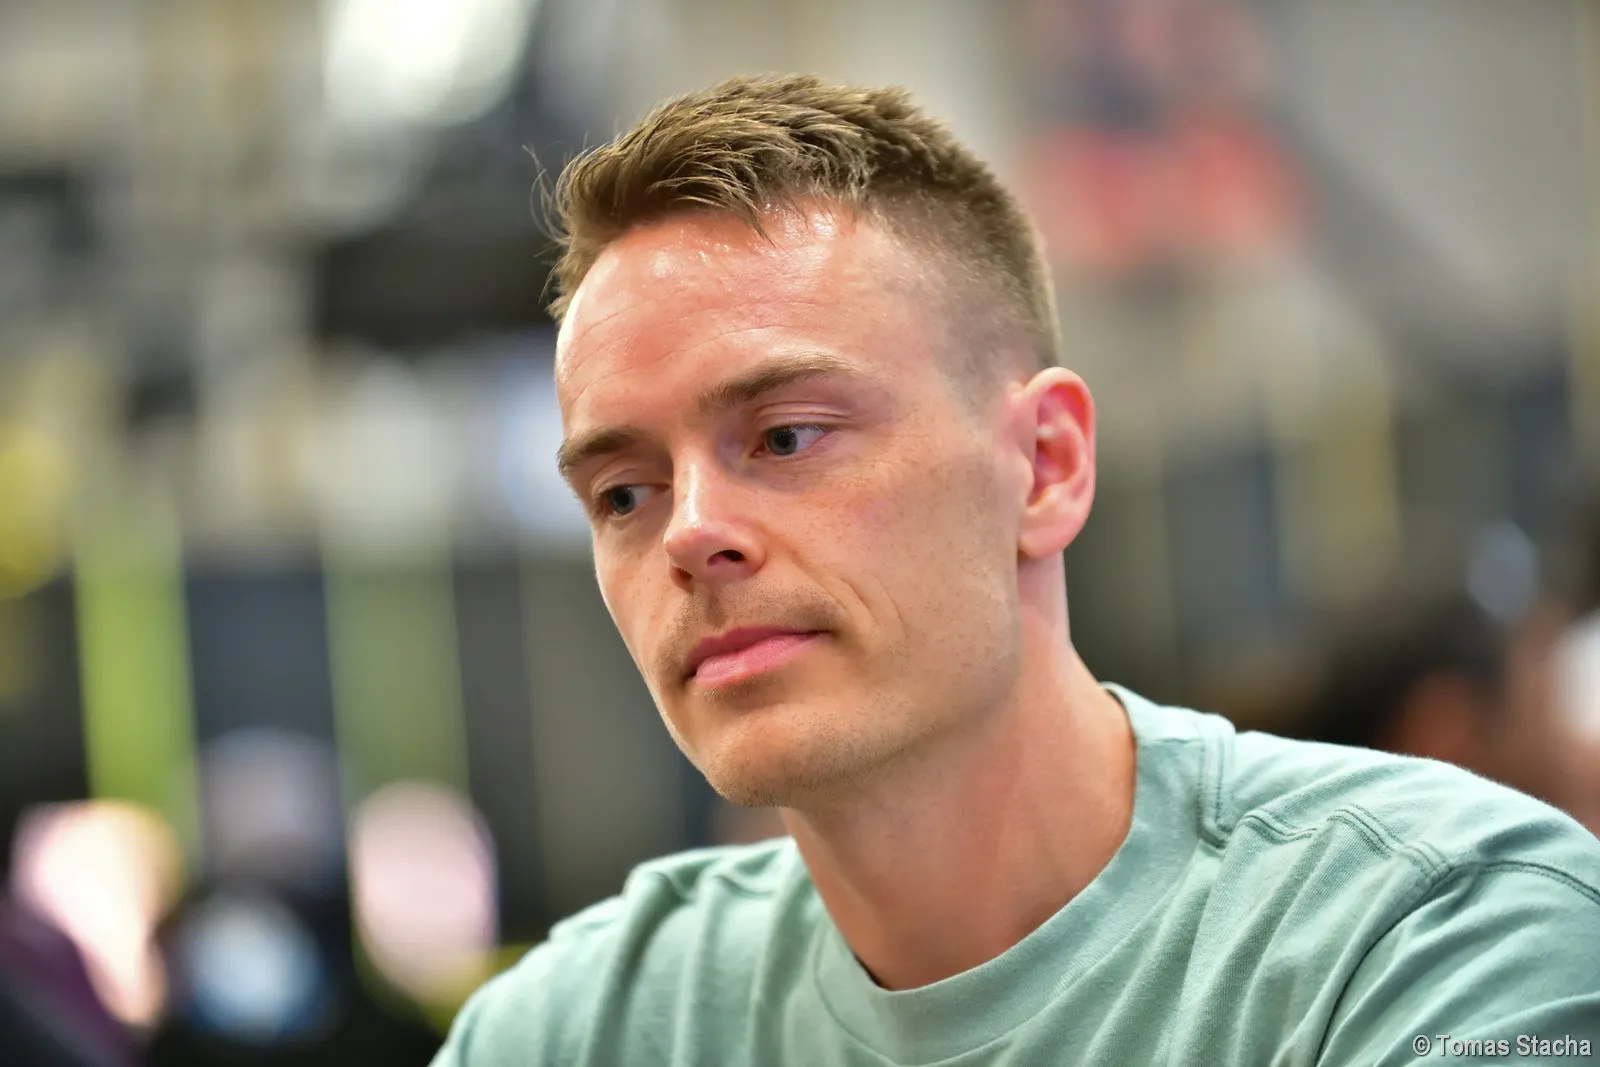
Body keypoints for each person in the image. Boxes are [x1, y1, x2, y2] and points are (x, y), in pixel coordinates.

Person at [433, 75, 1600, 1064]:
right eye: (622, 492)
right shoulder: (570, 1029)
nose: (690, 532)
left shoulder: (1436, 927)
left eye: (786, 436)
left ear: (1045, 465)